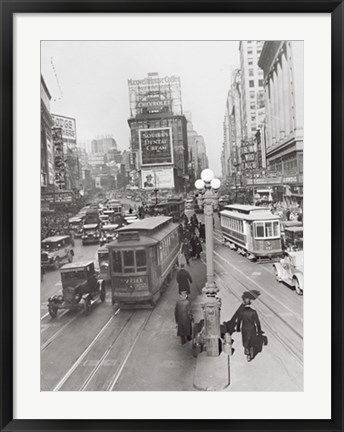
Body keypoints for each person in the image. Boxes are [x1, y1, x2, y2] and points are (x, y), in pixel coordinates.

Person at [236, 296, 262, 361]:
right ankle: (251, 353)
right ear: (250, 303)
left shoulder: (241, 312)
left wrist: (238, 328)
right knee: (252, 342)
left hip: (244, 329)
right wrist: (259, 330)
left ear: (244, 303)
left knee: (245, 341)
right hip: (252, 329)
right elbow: (257, 322)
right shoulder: (253, 312)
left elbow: (238, 321)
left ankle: (247, 354)